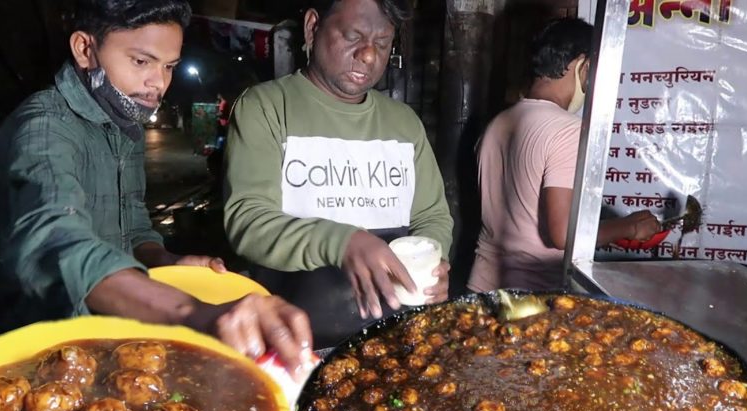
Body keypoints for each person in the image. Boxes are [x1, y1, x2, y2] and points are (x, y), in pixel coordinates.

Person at [0, 0, 312, 373]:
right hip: (43, 349)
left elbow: (135, 224)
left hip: (115, 330)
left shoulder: (124, 123)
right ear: (85, 49)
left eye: (168, 66)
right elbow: (57, 242)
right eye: (141, 61)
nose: (159, 83)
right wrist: (193, 312)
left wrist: (164, 261)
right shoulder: (44, 130)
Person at [224, 0, 454, 348]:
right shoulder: (266, 107)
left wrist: (433, 263)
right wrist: (342, 241)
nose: (368, 55)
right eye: (353, 37)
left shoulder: (404, 123)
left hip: (393, 338)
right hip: (297, 343)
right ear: (313, 27)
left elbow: (432, 216)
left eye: (382, 43)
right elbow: (248, 221)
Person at [468, 18, 660, 292]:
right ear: (581, 65)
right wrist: (628, 228)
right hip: (532, 296)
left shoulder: (497, 123)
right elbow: (561, 233)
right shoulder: (568, 130)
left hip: (482, 285)